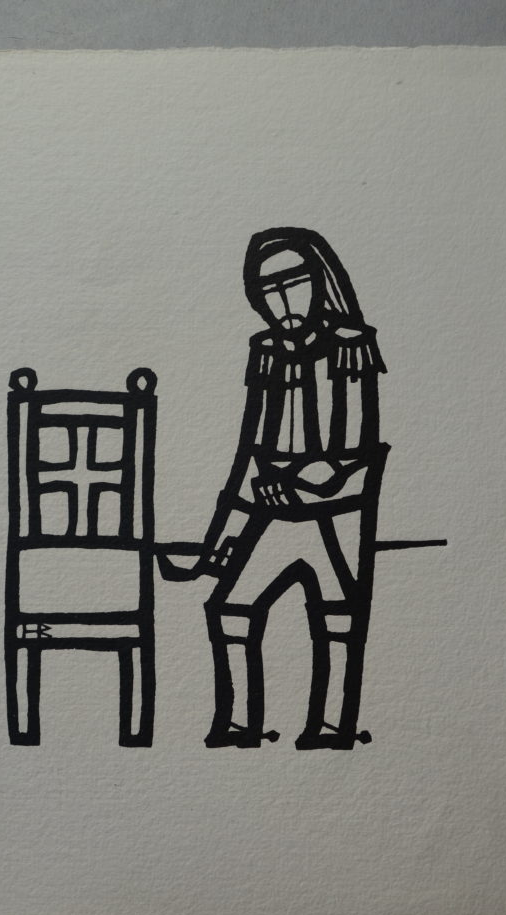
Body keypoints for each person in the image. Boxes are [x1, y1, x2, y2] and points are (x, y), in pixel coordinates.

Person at [165, 227, 389, 749]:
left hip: (335, 513)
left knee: (337, 616)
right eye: (268, 290)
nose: (283, 301)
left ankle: (331, 727)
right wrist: (217, 540)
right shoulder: (265, 350)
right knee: (230, 610)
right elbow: (251, 452)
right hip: (272, 512)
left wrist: (301, 483)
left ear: (320, 281)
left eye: (294, 283)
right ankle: (239, 724)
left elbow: (357, 454)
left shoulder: (350, 345)